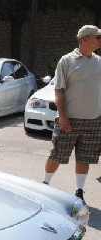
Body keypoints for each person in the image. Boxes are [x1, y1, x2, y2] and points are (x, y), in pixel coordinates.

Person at [42, 25, 101, 203]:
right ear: (84, 39)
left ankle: (79, 191)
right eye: (96, 37)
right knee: (57, 154)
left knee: (85, 157)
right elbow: (59, 91)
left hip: (93, 120)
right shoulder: (66, 61)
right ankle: (44, 184)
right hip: (70, 119)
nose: (99, 40)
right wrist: (63, 116)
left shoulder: (99, 61)